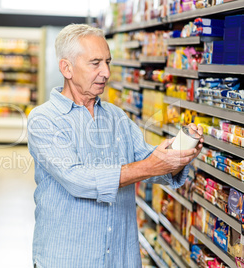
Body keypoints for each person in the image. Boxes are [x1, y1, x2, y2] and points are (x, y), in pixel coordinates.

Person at [27, 24, 203, 268]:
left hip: (120, 257)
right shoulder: (44, 119)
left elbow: (154, 165)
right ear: (66, 68)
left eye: (107, 62)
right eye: (95, 63)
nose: (106, 72)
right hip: (68, 258)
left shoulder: (117, 117)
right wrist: (150, 166)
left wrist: (180, 152)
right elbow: (78, 179)